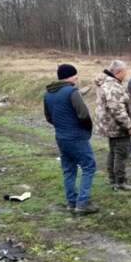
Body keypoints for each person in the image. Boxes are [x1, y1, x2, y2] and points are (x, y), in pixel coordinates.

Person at [43, 63, 98, 215]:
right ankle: (82, 203)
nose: (77, 78)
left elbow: (48, 117)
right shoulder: (72, 91)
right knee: (89, 166)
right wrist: (87, 129)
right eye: (75, 75)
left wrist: (62, 126)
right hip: (76, 136)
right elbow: (83, 114)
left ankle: (71, 202)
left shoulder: (48, 94)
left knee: (68, 170)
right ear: (69, 77)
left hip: (61, 136)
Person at [94, 60, 131, 191]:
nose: (126, 74)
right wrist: (129, 126)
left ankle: (113, 179)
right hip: (117, 127)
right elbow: (117, 110)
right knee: (121, 154)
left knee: (113, 152)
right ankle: (120, 181)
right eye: (125, 71)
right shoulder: (113, 87)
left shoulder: (108, 83)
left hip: (109, 126)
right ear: (119, 72)